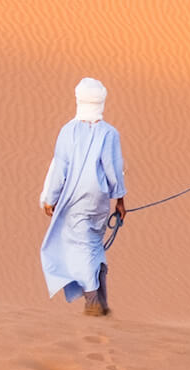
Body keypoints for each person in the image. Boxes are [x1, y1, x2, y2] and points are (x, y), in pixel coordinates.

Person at [40, 77, 127, 316]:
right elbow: (114, 169)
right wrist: (120, 200)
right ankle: (102, 300)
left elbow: (60, 168)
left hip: (75, 197)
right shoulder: (110, 133)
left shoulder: (68, 131)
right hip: (100, 200)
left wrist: (50, 198)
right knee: (93, 244)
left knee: (80, 245)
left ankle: (91, 300)